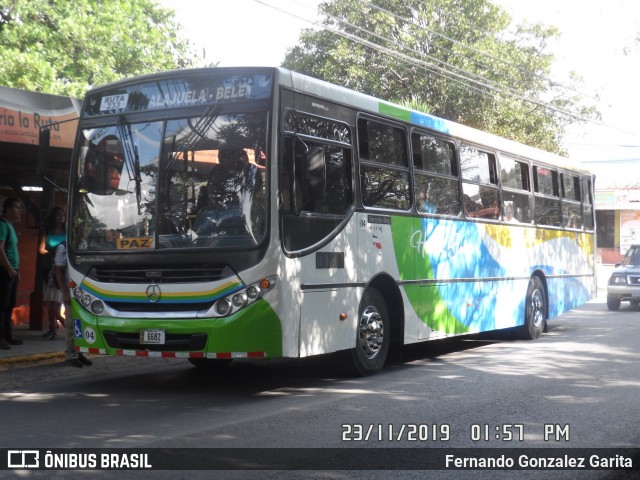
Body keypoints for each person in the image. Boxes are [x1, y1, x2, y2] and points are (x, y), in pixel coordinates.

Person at [53, 241, 92, 368]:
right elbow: (58, 271)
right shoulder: (63, 247)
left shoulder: (84, 244)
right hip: (71, 291)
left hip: (84, 291)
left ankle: (79, 352)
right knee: (71, 324)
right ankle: (71, 354)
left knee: (81, 323)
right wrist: (65, 293)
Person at [38, 206, 66, 339]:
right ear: (53, 217)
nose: (60, 217)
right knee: (50, 300)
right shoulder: (47, 231)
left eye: (62, 215)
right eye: (58, 215)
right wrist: (53, 252)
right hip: (48, 267)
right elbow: (41, 250)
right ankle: (52, 328)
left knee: (57, 302)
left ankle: (64, 327)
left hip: (61, 269)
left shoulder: (67, 231)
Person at [0, 198, 23, 349]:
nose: (19, 211)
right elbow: (0, 249)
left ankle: (8, 336)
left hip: (12, 272)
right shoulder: (2, 225)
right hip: (4, 272)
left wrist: (15, 272)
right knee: (2, 306)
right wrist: (9, 269)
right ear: (7, 209)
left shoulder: (11, 226)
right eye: (16, 207)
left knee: (8, 306)